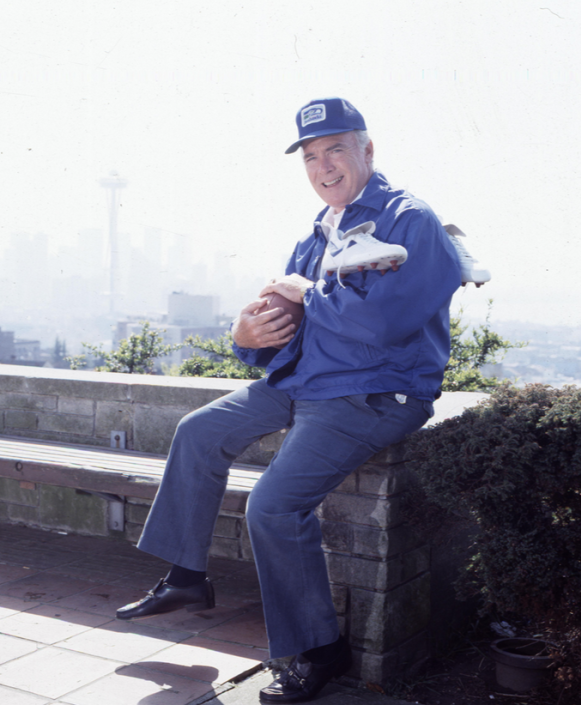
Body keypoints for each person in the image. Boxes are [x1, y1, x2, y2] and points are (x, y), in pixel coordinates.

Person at [116, 97, 462, 703]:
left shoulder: (412, 221)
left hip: (376, 391)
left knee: (272, 508)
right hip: (306, 383)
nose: (323, 167)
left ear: (367, 150)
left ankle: (320, 649)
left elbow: (387, 323)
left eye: (335, 150)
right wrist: (246, 338)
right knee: (199, 431)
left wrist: (308, 294)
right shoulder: (317, 234)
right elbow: (288, 327)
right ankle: (187, 577)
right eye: (310, 157)